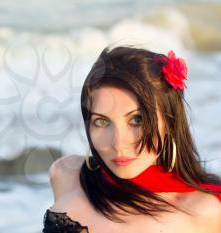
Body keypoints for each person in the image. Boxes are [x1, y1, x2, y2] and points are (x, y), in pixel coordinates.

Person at [42, 46, 221, 233]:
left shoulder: (202, 212)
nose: (118, 143)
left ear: (169, 122)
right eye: (102, 121)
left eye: (137, 120)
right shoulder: (65, 175)